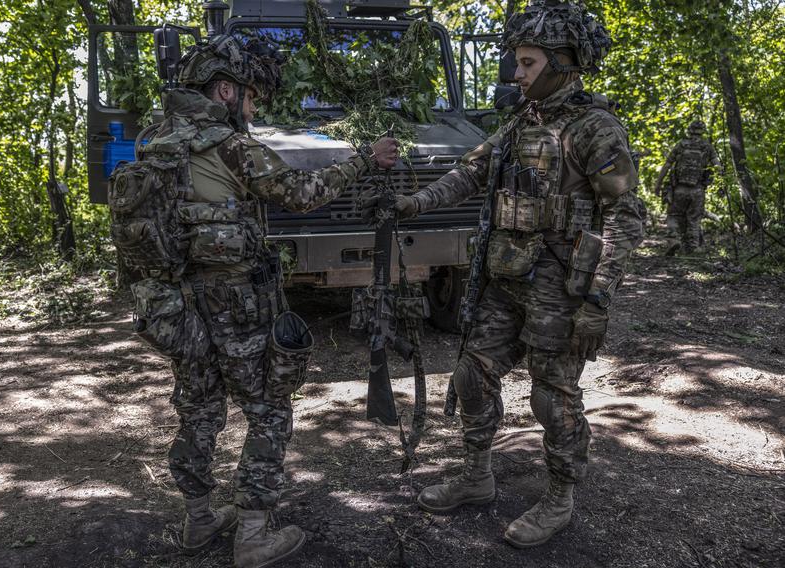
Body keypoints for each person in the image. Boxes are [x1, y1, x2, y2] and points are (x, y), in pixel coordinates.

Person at [363, 0, 643, 548]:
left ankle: (559, 498)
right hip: (505, 279)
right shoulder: (521, 123)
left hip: (561, 290)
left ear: (563, 63)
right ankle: (477, 477)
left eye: (529, 63)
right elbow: (468, 175)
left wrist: (599, 297)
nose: (517, 73)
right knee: (471, 374)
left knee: (552, 397)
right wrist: (412, 205)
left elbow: (627, 217)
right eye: (517, 61)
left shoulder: (595, 129)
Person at [124, 35, 397, 567]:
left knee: (198, 408)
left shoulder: (153, 141)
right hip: (236, 304)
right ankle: (253, 536)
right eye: (249, 98)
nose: (253, 109)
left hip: (176, 304)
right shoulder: (228, 145)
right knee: (269, 409)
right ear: (224, 89)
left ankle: (199, 519)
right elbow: (301, 194)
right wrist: (364, 159)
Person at [654, 120, 722, 255]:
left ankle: (673, 240)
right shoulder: (707, 147)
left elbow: (667, 165)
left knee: (673, 215)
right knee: (694, 219)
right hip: (698, 190)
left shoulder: (681, 145)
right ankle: (693, 249)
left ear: (689, 130)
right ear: (703, 131)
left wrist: (658, 184)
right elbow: (717, 166)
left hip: (679, 188)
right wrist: (721, 185)